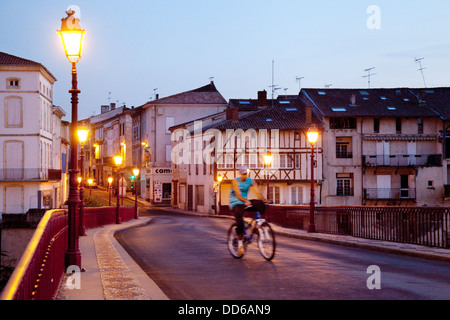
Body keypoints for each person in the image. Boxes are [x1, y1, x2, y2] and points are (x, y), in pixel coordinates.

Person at [229, 166, 268, 255]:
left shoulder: (250, 181)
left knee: (259, 204)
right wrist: (245, 201)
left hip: (245, 202)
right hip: (235, 202)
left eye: (246, 174)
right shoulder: (235, 181)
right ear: (240, 174)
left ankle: (258, 225)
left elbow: (257, 192)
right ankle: (240, 245)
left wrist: (264, 200)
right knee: (239, 221)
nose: (244, 176)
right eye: (243, 174)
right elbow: (238, 195)